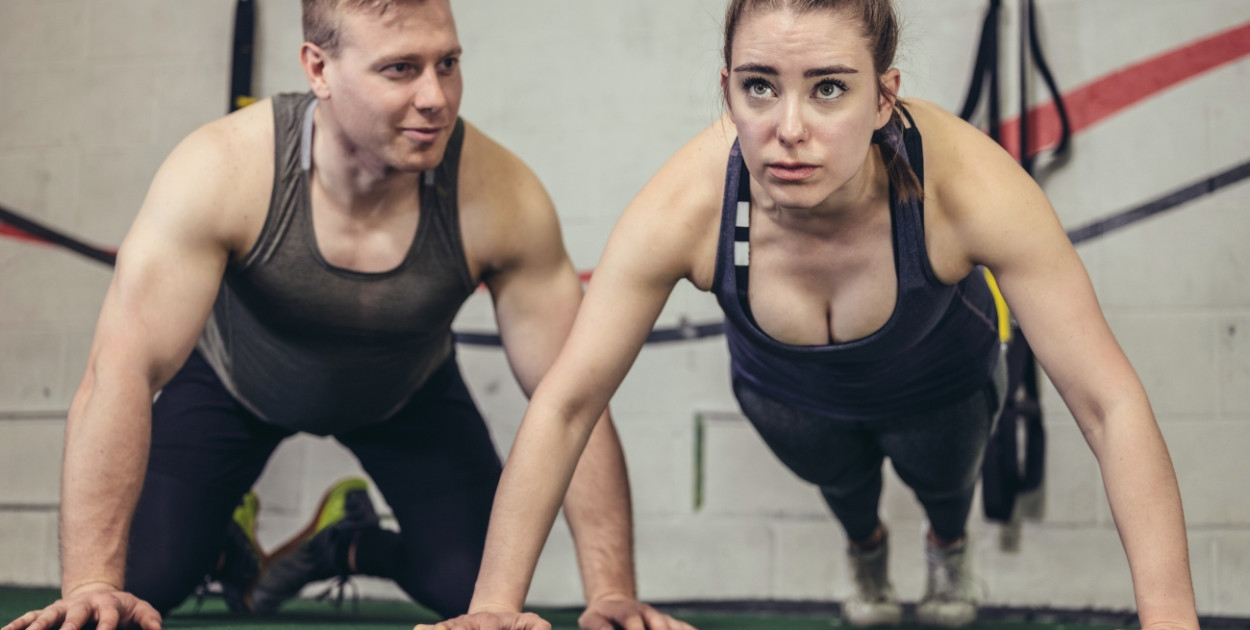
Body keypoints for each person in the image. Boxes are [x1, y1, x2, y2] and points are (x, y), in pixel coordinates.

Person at [418, 0, 1202, 629]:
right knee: (847, 490)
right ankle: (866, 545)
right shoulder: (688, 206)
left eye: (829, 87)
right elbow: (567, 401)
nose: (789, 127)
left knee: (942, 482)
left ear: (883, 95)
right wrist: (493, 605)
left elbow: (1109, 403)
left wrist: (1168, 617)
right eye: (760, 86)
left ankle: (945, 541)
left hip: (942, 389)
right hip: (789, 401)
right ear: (727, 87)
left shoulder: (969, 187)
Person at [0, 2, 692, 630]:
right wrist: (89, 580)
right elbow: (120, 368)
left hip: (407, 396)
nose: (435, 98)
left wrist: (611, 591)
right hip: (234, 388)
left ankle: (350, 544)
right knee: (146, 580)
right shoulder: (225, 170)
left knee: (470, 587)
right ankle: (222, 528)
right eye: (400, 69)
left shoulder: (499, 195)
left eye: (448, 64)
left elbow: (573, 395)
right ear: (318, 68)